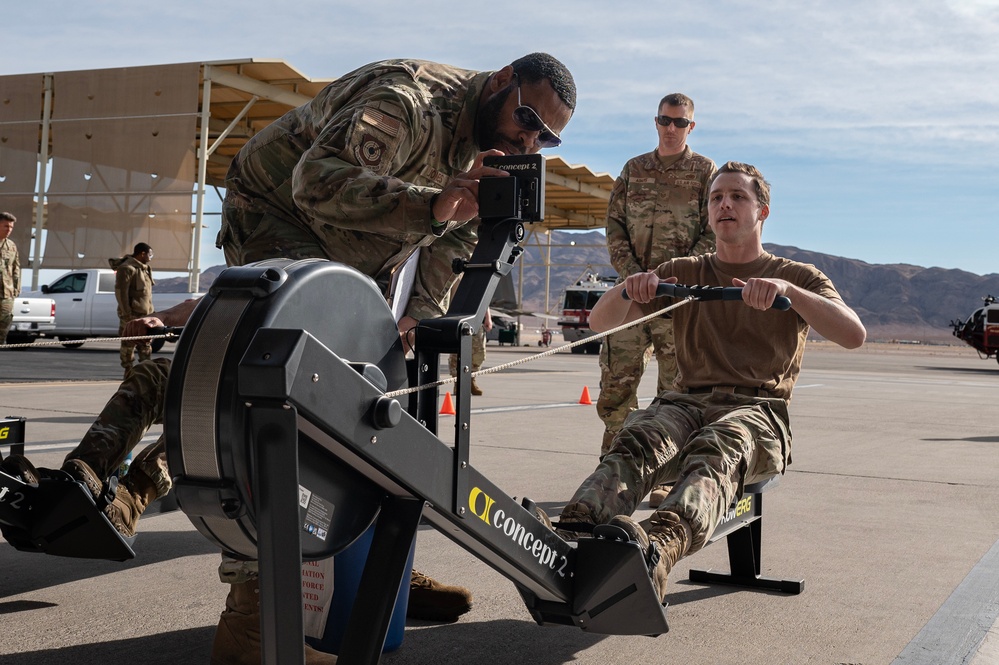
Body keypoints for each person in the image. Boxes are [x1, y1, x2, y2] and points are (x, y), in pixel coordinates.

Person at [122, 53, 574, 665]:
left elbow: (459, 237)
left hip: (354, 249)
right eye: (527, 118)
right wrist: (434, 204)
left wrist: (419, 310)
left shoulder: (490, 147)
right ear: (501, 81)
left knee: (374, 391)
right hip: (277, 210)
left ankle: (385, 571)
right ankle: (250, 622)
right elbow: (317, 180)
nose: (530, 138)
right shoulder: (406, 101)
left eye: (546, 136)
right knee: (271, 386)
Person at [546, 162, 866, 606]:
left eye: (738, 196)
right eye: (716, 198)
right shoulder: (682, 270)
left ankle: (656, 550)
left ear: (763, 211)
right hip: (686, 403)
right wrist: (630, 289)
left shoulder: (797, 275)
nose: (725, 205)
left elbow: (854, 334)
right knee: (639, 437)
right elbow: (600, 322)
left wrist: (789, 294)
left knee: (721, 445)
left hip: (757, 413)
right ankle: (571, 535)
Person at [597, 94, 717, 517]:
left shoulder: (705, 173)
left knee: (675, 393)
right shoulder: (634, 169)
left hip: (678, 301)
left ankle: (664, 480)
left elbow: (713, 231)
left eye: (679, 123)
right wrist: (634, 277)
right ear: (655, 122)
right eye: (665, 120)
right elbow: (613, 225)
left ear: (691, 127)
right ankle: (609, 475)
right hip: (632, 297)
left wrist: (675, 275)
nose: (671, 128)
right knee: (617, 386)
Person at [109, 243, 155, 375]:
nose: (151, 257)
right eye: (150, 254)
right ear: (142, 254)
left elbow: (147, 295)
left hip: (145, 315)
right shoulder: (127, 268)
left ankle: (145, 373)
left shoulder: (145, 269)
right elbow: (121, 293)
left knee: (145, 344)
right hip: (131, 315)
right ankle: (128, 371)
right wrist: (126, 313)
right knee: (128, 344)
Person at [449, 306, 492, 395]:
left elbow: (484, 299)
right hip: (458, 318)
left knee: (478, 352)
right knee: (457, 352)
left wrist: (488, 317)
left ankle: (471, 380)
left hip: (477, 319)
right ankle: (457, 383)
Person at [0, 212, 20, 346]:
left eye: (11, 227)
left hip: (6, 292)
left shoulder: (11, 246)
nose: (9, 230)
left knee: (5, 321)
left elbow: (16, 268)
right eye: (6, 226)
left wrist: (16, 288)